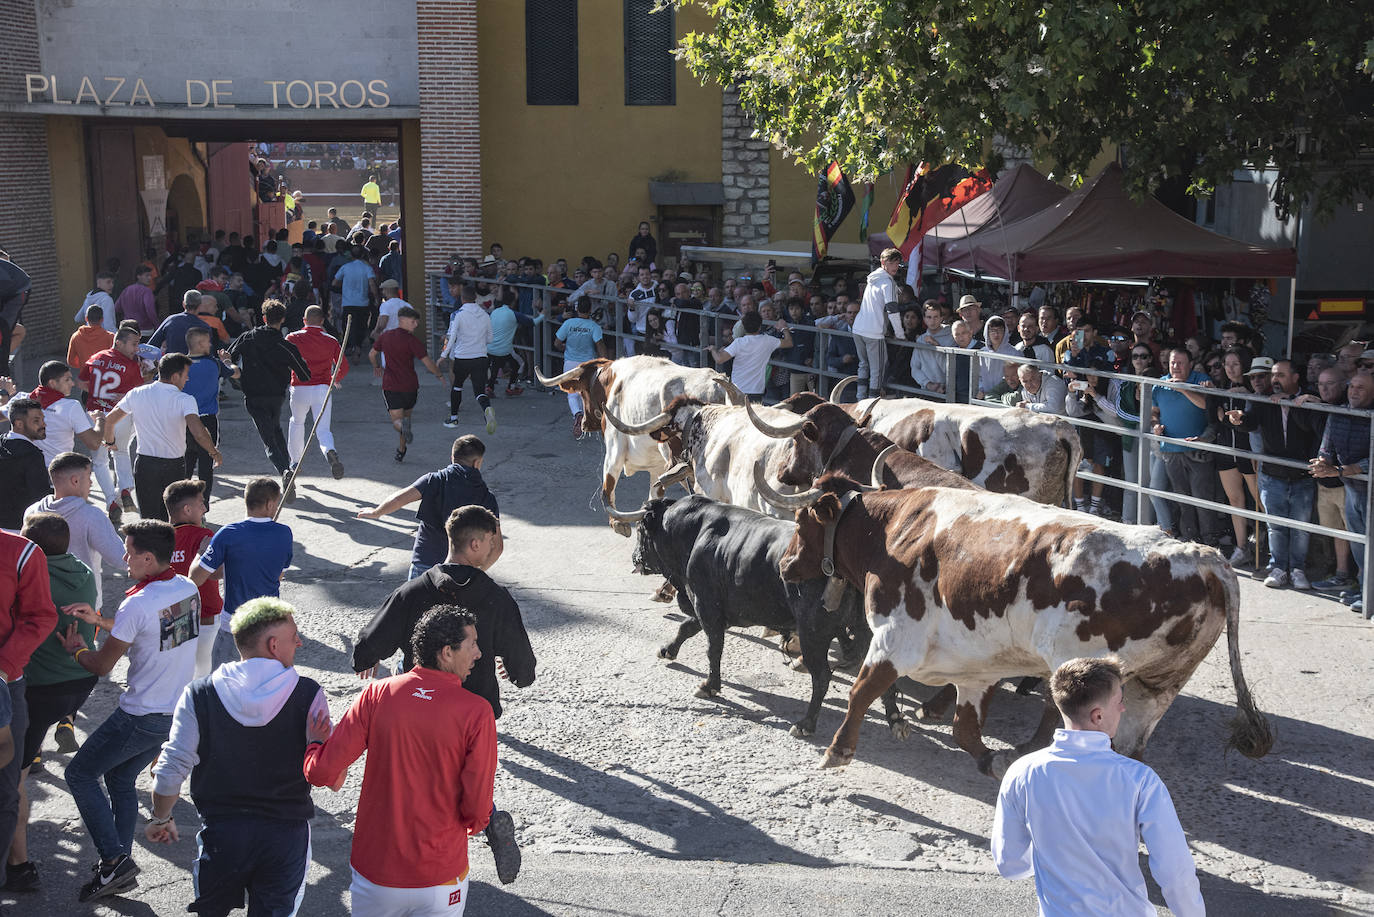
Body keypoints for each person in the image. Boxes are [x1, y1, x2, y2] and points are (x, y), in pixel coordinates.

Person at [353, 505, 530, 884]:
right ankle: (481, 823)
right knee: (467, 776)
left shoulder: (413, 590)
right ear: (477, 543)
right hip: (474, 711)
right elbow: (523, 665)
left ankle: (416, 850)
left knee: (418, 774)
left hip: (417, 705)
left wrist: (365, 659)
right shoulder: (498, 598)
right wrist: (514, 672)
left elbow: (372, 639)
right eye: (493, 543)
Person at [304, 606, 497, 915]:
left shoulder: (376, 694)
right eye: (472, 644)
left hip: (376, 872)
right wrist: (476, 825)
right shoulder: (476, 712)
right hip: (440, 873)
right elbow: (476, 808)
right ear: (447, 652)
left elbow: (323, 772)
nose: (479, 653)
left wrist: (314, 745)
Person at [147, 598, 329, 916]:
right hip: (285, 839)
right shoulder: (308, 694)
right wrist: (320, 745)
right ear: (274, 645)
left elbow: (171, 768)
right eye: (294, 636)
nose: (300, 642)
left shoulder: (199, 694)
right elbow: (328, 775)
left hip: (222, 837)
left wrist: (161, 817)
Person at [992, 656, 1204, 917]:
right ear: (1098, 715)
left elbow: (1010, 865)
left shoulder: (1022, 772)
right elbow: (1176, 871)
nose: (1123, 709)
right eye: (1120, 701)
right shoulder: (1140, 780)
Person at [59, 520, 200, 902]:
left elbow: (103, 665)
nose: (124, 558)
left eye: (130, 552)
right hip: (173, 715)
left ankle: (113, 860)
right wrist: (101, 621)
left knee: (79, 775)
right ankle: (118, 866)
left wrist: (76, 648)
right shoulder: (185, 587)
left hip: (139, 715)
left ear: (149, 558)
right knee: (120, 779)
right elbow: (155, 633)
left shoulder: (136, 602)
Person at [5, 513, 92, 890]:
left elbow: (36, 617)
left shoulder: (23, 556)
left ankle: (20, 864)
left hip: (25, 687)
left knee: (14, 783)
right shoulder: (84, 573)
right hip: (76, 681)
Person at [1227, 359, 1320, 589]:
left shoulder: (1309, 398)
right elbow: (1251, 422)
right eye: (1274, 375)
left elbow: (1312, 427)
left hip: (1301, 476)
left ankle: (1297, 570)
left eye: (1281, 375)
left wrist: (1294, 403)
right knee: (1275, 526)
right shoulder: (1265, 400)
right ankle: (1278, 567)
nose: (1275, 380)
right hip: (1272, 474)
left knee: (1300, 528)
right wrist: (1239, 418)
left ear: (1296, 377)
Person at [358, 435, 499, 579]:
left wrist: (376, 512)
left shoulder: (435, 480)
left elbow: (399, 499)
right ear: (477, 463)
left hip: (425, 564)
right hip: (460, 572)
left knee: (416, 601)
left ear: (452, 457)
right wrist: (477, 573)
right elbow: (497, 548)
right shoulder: (487, 498)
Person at [190, 477, 294, 671]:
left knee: (221, 686)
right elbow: (278, 576)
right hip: (270, 627)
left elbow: (195, 578)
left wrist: (200, 553)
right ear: (270, 504)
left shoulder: (228, 534)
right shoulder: (285, 533)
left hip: (234, 626)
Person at [103, 354, 221, 522]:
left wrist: (110, 442)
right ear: (175, 376)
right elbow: (199, 432)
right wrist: (213, 452)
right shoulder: (185, 400)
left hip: (145, 465)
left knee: (149, 521)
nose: (187, 379)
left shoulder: (136, 393)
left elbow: (110, 421)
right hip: (174, 467)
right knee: (175, 520)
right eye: (185, 374)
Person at [25, 451, 125, 615]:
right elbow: (119, 558)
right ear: (75, 480)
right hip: (82, 606)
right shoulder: (92, 516)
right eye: (89, 476)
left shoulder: (32, 512)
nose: (91, 483)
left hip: (40, 601)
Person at [229, 301, 312, 494]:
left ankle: (284, 470)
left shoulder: (247, 338)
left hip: (253, 395)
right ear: (282, 320)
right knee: (275, 429)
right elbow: (305, 375)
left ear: (264, 318)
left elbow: (230, 358)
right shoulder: (285, 346)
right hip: (276, 396)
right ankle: (288, 469)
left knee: (269, 440)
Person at [1312, 369, 1374, 615]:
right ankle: (1364, 588)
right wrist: (1322, 463)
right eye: (1352, 387)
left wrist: (1347, 469)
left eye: (1361, 388)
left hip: (1369, 488)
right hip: (1353, 489)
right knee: (1359, 543)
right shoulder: (1340, 412)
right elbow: (1326, 446)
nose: (1354, 392)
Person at [1153, 348, 1220, 547]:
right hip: (1170, 450)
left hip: (1198, 449)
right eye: (1173, 363)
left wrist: (1182, 388)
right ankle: (1189, 538)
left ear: (1190, 363)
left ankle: (1210, 541)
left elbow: (1207, 407)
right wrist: (1155, 425)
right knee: (1182, 499)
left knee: (1203, 498)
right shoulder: (1160, 384)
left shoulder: (1201, 380)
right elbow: (1153, 412)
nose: (1176, 367)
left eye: (1181, 363)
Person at [81, 326, 145, 521]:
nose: (137, 349)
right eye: (134, 344)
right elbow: (139, 392)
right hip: (120, 415)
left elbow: (81, 382)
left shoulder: (96, 357)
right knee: (121, 451)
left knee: (99, 461)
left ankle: (111, 501)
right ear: (119, 342)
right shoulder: (131, 365)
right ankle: (124, 488)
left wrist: (98, 395)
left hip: (95, 414)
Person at [372, 306, 446, 463]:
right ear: (402, 320)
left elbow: (372, 354)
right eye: (413, 322)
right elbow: (428, 363)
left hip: (391, 386)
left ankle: (401, 434)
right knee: (407, 419)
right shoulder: (413, 341)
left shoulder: (385, 337)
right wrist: (439, 375)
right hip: (411, 387)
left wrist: (377, 366)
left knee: (398, 422)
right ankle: (401, 449)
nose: (415, 325)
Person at [165, 481, 223, 678]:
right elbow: (216, 572)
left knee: (178, 678)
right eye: (201, 503)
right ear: (187, 509)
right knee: (206, 680)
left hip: (172, 618)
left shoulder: (161, 539)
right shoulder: (204, 535)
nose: (205, 508)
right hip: (206, 618)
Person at [286, 305, 348, 480]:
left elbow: (282, 358)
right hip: (322, 388)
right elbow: (343, 366)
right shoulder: (331, 340)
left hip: (299, 387)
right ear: (322, 321)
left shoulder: (292, 337)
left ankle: (295, 462)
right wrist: (334, 378)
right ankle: (330, 451)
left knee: (297, 423)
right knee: (323, 430)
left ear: (304, 320)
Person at [182, 327, 239, 507]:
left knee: (185, 465)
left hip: (181, 421)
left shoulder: (179, 364)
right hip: (207, 422)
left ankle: (180, 506)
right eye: (207, 341)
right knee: (206, 466)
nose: (210, 344)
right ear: (199, 344)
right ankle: (203, 507)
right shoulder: (214, 364)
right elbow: (236, 373)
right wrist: (228, 361)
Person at [441, 285, 498, 434]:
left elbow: (451, 337)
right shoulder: (485, 315)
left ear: (462, 298)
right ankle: (487, 409)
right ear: (475, 298)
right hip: (480, 357)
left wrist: (443, 355)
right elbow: (490, 338)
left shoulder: (458, 314)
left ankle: (453, 418)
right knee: (479, 391)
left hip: (462, 357)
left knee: (457, 386)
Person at [852, 248, 904, 398]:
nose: (895, 266)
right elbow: (892, 310)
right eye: (892, 262)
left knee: (863, 365)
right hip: (873, 333)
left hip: (858, 328)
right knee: (877, 370)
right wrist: (900, 334)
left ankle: (860, 398)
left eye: (897, 263)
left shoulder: (872, 279)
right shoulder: (888, 282)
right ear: (883, 262)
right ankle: (871, 403)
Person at [708, 310, 792, 402]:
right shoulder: (768, 340)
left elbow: (719, 359)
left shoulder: (738, 342)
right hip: (756, 391)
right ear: (760, 326)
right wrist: (784, 328)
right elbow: (789, 342)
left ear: (743, 326)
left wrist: (713, 349)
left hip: (737, 389)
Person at [553, 298, 606, 438]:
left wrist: (565, 347)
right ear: (590, 310)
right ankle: (588, 419)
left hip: (570, 362)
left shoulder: (568, 323)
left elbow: (557, 343)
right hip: (588, 364)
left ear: (577, 309)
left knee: (572, 394)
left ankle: (577, 414)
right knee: (587, 393)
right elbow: (600, 345)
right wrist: (605, 362)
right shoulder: (594, 326)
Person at [0, 398, 50, 532]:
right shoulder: (32, 456)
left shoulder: (2, 443)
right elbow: (40, 497)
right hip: (19, 530)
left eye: (42, 419)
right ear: (19, 424)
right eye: (36, 421)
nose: (43, 424)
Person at [150, 290, 215, 356]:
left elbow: (152, 345)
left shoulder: (171, 320)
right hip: (194, 364)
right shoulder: (205, 327)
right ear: (200, 306)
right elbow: (209, 353)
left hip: (171, 363)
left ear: (183, 304)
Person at [910, 301, 955, 394]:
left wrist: (936, 346)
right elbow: (914, 368)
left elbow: (950, 369)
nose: (932, 321)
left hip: (946, 391)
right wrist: (928, 384)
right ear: (924, 319)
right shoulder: (921, 340)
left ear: (941, 318)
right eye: (929, 317)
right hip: (926, 390)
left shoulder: (952, 337)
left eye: (935, 317)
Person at [67, 307, 115, 388]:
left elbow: (71, 361)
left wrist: (84, 364)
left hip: (86, 382)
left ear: (86, 318)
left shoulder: (76, 336)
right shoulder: (110, 337)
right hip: (105, 382)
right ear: (102, 319)